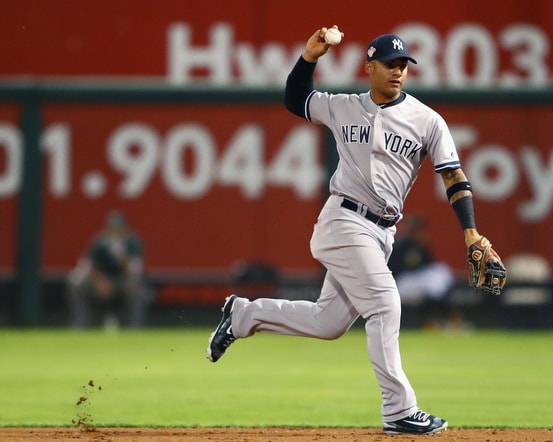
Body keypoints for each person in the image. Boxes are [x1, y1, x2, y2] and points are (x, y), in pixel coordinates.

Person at [207, 26, 504, 435]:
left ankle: (242, 315)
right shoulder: (343, 106)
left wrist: (470, 231)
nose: (397, 71)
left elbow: (453, 176)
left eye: (403, 65)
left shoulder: (427, 120)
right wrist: (309, 56)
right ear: (369, 67)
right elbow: (296, 100)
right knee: (385, 303)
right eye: (389, 64)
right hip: (343, 220)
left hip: (382, 232)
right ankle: (399, 410)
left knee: (328, 322)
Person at [66, 210, 146, 329]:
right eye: (112, 229)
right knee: (75, 281)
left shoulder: (132, 242)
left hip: (121, 282)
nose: (115, 232)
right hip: (100, 282)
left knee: (135, 284)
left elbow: (135, 270)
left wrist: (120, 254)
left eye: (119, 228)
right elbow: (85, 266)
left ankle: (134, 326)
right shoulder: (99, 242)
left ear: (125, 227)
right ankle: (80, 322)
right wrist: (100, 282)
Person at [387, 214, 454, 306]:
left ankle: (435, 302)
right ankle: (433, 303)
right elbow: (396, 270)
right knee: (423, 284)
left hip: (418, 281)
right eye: (415, 229)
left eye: (419, 229)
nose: (419, 232)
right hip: (401, 283)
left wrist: (422, 247)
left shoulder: (421, 246)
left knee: (442, 269)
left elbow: (430, 267)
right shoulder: (399, 245)